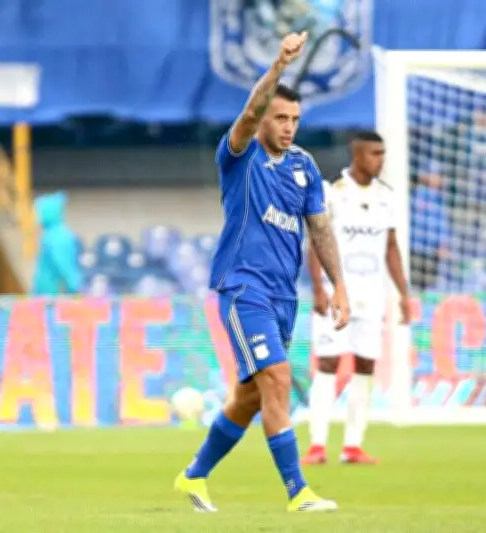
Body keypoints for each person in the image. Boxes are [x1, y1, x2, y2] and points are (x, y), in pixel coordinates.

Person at [173, 31, 350, 513]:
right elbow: (250, 113)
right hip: (242, 286)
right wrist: (278, 65)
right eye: (281, 118)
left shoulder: (304, 167)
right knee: (276, 376)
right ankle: (299, 492)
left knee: (250, 397)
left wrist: (340, 287)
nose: (289, 127)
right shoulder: (240, 156)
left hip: (282, 297)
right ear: (263, 120)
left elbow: (321, 230)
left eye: (295, 119)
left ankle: (193, 477)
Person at [302, 131, 410, 466]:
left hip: (372, 295)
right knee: (329, 363)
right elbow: (316, 242)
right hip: (337, 293)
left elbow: (391, 247)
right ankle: (317, 445)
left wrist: (404, 293)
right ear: (357, 154)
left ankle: (352, 446)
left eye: (383, 153)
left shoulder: (386, 197)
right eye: (374, 153)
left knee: (366, 365)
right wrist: (319, 288)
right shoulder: (333, 194)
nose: (380, 159)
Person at [31, 191, 82, 295]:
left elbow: (64, 265)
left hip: (53, 294)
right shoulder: (49, 234)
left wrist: (76, 288)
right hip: (45, 292)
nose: (36, 217)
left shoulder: (59, 237)